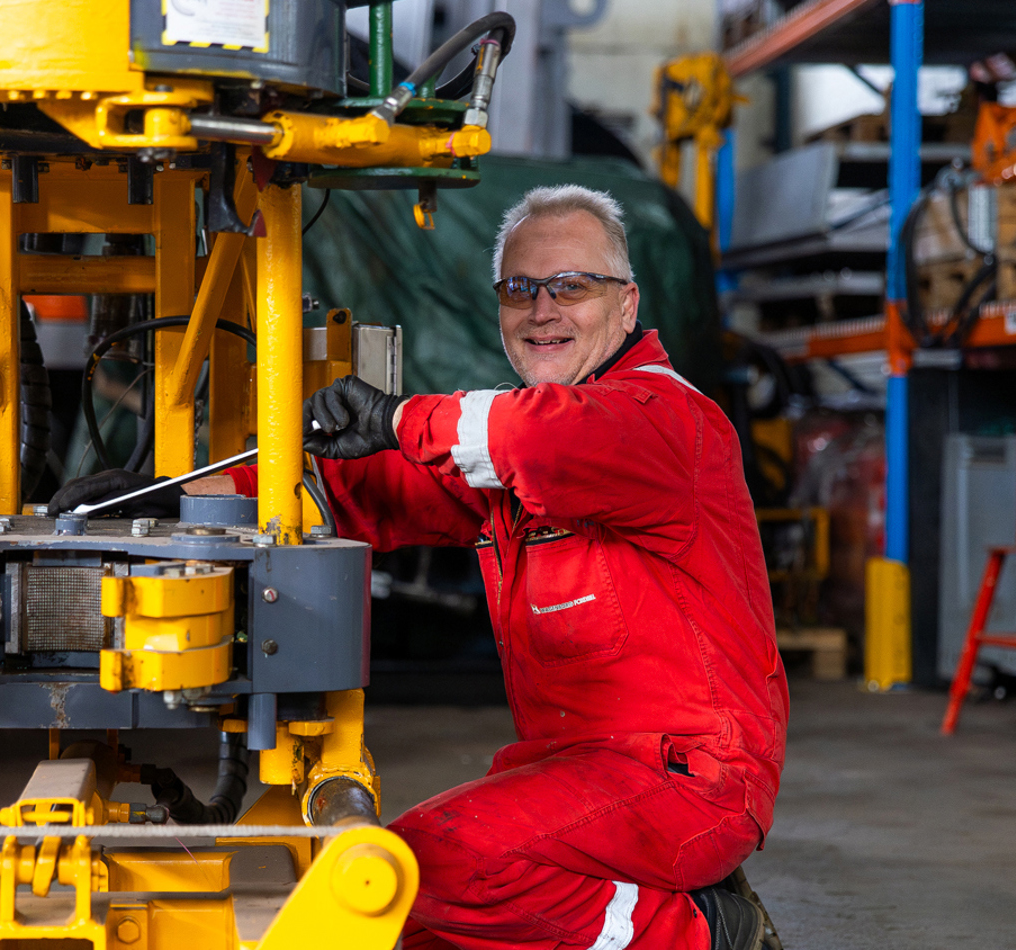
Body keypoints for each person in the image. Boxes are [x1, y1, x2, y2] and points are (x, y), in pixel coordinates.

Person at [53, 185, 787, 950]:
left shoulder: (664, 419)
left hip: (690, 776)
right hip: (577, 767)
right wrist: (177, 498)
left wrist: (394, 417)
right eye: (519, 289)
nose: (542, 310)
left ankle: (702, 932)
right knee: (411, 921)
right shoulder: (517, 449)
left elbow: (538, 440)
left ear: (627, 306)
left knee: (438, 867)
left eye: (572, 286)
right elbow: (365, 490)